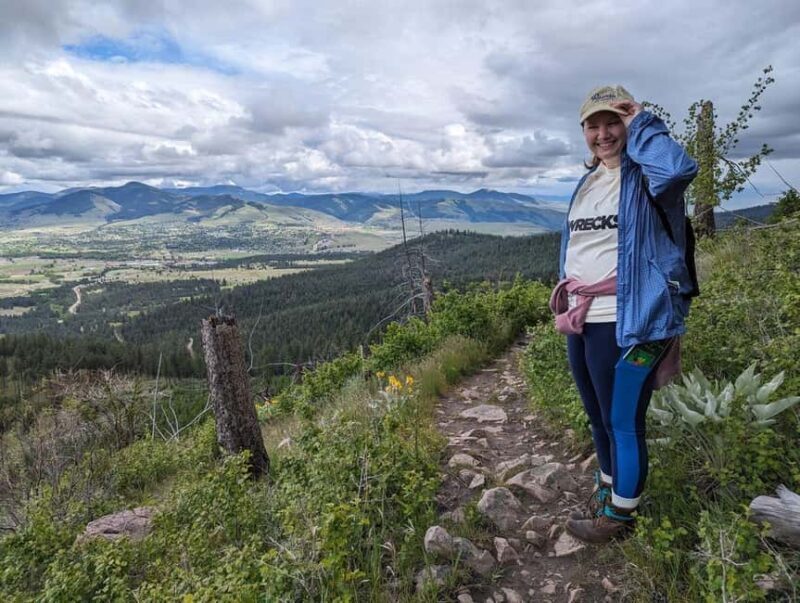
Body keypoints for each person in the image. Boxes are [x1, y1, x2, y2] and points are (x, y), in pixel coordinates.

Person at [549, 85, 698, 543]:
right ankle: (610, 490)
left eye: (613, 121)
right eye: (593, 125)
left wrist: (643, 123)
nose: (603, 133)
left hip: (632, 317)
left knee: (623, 421)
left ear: (627, 123)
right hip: (584, 316)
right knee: (596, 416)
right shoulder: (588, 180)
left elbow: (679, 170)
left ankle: (621, 518)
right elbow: (578, 244)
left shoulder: (646, 177)